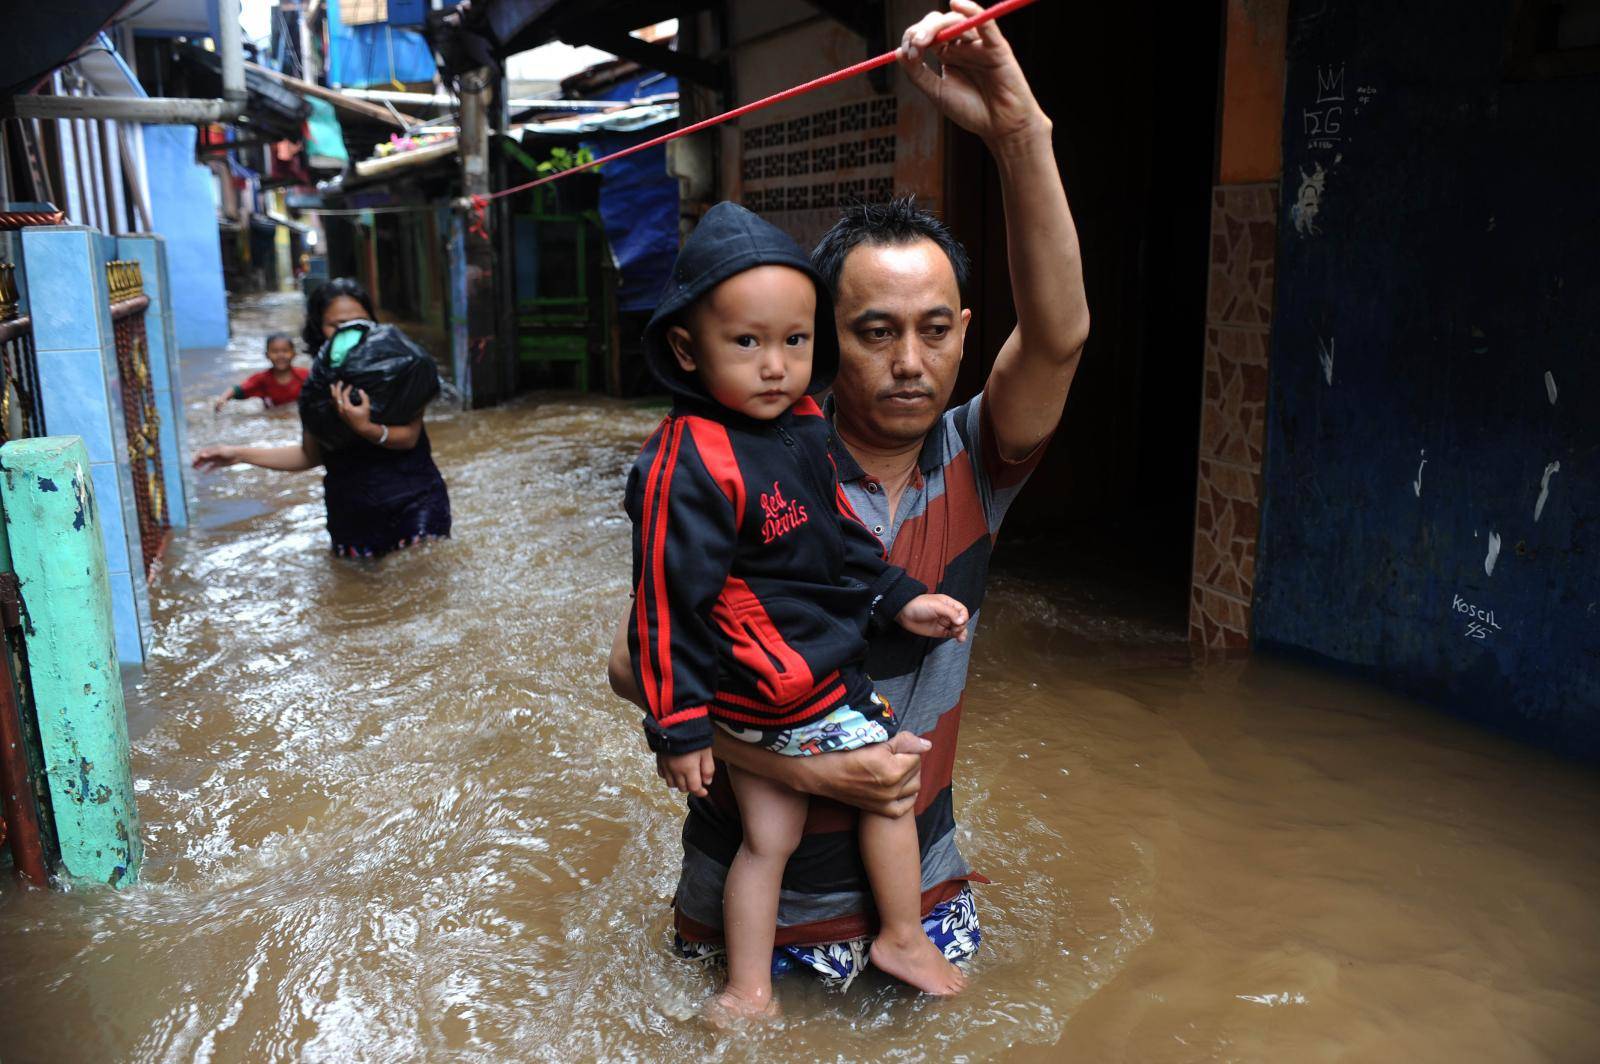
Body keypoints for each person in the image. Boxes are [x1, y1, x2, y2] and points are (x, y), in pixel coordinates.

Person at [609, 1, 1089, 986]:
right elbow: (631, 662)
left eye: (937, 328)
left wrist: (1017, 131)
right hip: (746, 899)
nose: (911, 362)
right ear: (825, 341)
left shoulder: (976, 463)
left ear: (963, 332)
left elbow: (1058, 334)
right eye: (875, 331)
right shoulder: (744, 460)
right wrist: (804, 768)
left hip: (921, 886)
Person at [627, 202, 976, 1019]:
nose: (776, 366)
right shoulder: (688, 462)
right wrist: (676, 730)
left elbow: (841, 543)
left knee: (768, 840)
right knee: (892, 780)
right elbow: (662, 609)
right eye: (746, 344)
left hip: (764, 688)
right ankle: (900, 934)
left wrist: (900, 597)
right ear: (687, 347)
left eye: (795, 341)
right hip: (781, 681)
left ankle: (747, 991)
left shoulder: (800, 427)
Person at [193, 278, 452, 558]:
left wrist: (365, 428)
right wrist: (239, 454)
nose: (348, 331)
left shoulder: (398, 369)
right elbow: (310, 455)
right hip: (352, 513)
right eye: (336, 325)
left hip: (415, 502)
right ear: (319, 328)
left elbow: (409, 437)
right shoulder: (316, 389)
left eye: (358, 321)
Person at [212, 332, 308, 412]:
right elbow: (238, 390)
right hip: (272, 417)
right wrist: (223, 399)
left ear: (294, 354)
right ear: (267, 355)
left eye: (285, 351)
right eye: (275, 351)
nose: (280, 355)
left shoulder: (304, 376)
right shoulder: (262, 379)